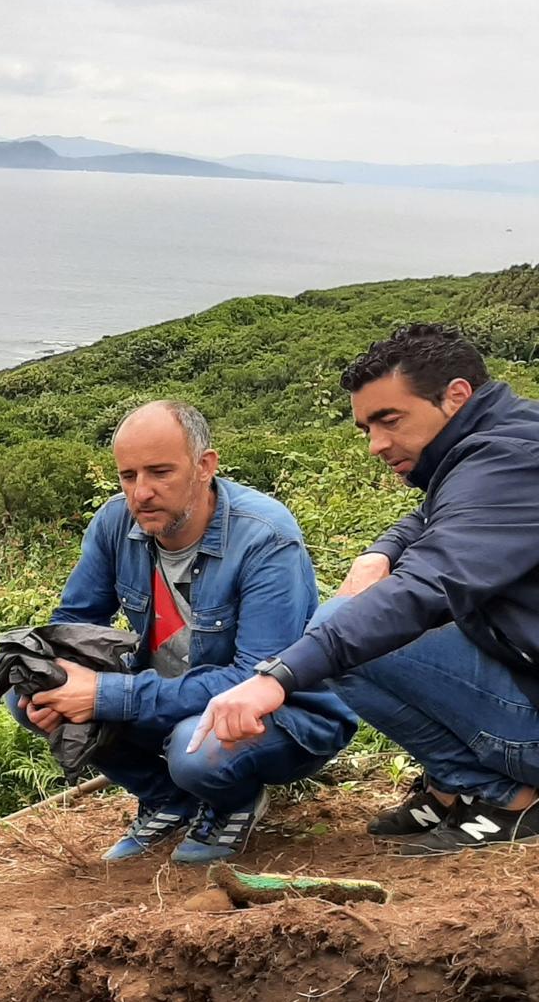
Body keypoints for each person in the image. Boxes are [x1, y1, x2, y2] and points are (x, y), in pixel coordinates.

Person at [193, 325, 539, 855]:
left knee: (344, 631)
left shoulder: (508, 460)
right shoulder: (503, 437)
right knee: (348, 622)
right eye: (366, 428)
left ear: (456, 395)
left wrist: (277, 678)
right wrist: (381, 550)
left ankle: (507, 800)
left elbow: (425, 586)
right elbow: (432, 516)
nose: (377, 444)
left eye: (389, 420)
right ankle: (452, 789)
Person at [15, 401, 354, 863]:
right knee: (32, 697)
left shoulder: (264, 538)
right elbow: (75, 626)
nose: (141, 493)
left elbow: (257, 680)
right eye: (129, 476)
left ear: (204, 467)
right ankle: (168, 798)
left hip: (283, 715)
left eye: (159, 473)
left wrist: (105, 695)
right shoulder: (115, 523)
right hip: (171, 702)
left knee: (196, 750)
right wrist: (53, 679)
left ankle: (233, 800)